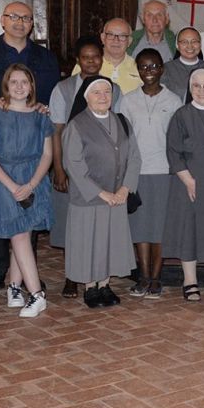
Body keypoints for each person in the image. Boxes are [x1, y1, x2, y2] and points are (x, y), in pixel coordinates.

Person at [0, 1, 60, 299]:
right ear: (2, 20)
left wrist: (40, 105)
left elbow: (49, 96)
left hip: (30, 148)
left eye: (26, 18)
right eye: (14, 17)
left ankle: (19, 283)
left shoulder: (45, 58)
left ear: (32, 23)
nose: (20, 22)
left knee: (26, 225)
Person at [0, 64, 54, 318]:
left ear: (31, 86)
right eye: (14, 82)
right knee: (17, 235)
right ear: (6, 86)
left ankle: (17, 287)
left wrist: (30, 185)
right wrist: (12, 186)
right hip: (2, 180)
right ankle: (36, 293)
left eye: (24, 82)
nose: (19, 87)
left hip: (32, 179)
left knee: (22, 236)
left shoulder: (41, 116)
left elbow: (47, 154)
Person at [49, 36, 123, 298]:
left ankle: (101, 278)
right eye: (85, 57)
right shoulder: (64, 88)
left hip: (104, 170)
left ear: (102, 58)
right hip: (73, 166)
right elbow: (57, 130)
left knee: (101, 226)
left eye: (96, 57)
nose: (91, 61)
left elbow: (119, 128)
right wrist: (59, 168)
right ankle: (73, 275)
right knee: (74, 225)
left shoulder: (111, 88)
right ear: (77, 61)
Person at [62, 76, 140, 308]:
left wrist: (125, 188)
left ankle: (105, 285)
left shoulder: (122, 121)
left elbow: (134, 157)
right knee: (88, 242)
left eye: (107, 92)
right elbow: (73, 165)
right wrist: (102, 193)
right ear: (86, 97)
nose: (103, 97)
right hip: (90, 198)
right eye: (97, 92)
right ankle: (90, 287)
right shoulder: (76, 125)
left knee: (109, 242)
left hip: (118, 196)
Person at [122, 49, 184, 298]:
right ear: (137, 70)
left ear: (162, 69)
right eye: (143, 67)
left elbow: (177, 139)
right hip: (136, 172)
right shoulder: (127, 100)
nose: (149, 72)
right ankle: (143, 276)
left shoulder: (174, 100)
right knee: (139, 228)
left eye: (154, 66)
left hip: (164, 172)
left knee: (159, 228)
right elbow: (123, 138)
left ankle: (156, 278)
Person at [164, 69, 204, 302]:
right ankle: (190, 281)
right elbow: (173, 151)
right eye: (196, 86)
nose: (202, 91)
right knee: (189, 231)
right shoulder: (181, 115)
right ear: (189, 89)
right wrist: (188, 179)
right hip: (188, 182)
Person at [73, 18, 142, 94]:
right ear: (103, 38)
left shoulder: (139, 68)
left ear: (129, 41)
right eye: (111, 35)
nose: (116, 40)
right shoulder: (85, 65)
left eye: (122, 36)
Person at [160, 27, 204, 98]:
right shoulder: (166, 69)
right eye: (184, 42)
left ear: (200, 45)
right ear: (177, 45)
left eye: (194, 41)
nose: (190, 46)